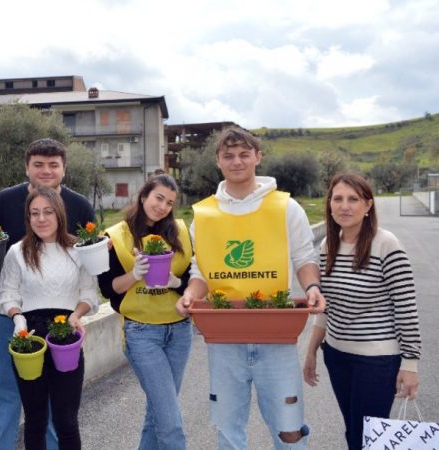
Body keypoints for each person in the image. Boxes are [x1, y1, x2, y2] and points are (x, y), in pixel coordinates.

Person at [175, 126, 325, 450]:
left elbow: (303, 257)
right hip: (224, 337)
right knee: (228, 429)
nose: (237, 161)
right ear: (218, 161)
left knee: (289, 429)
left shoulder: (287, 207)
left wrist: (312, 286)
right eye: (228, 155)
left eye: (244, 154)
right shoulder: (203, 215)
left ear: (258, 156)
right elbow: (200, 271)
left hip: (277, 335)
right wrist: (190, 294)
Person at [0, 138, 95, 450]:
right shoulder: (4, 203)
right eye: (38, 164)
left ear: (64, 168)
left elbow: (91, 274)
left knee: (63, 415)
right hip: (13, 321)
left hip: (65, 327)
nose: (46, 171)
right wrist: (15, 315)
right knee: (7, 396)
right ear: (27, 167)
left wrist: (77, 314)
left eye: (53, 164)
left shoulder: (81, 208)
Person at [303, 173, 421, 450]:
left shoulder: (386, 244)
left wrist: (411, 365)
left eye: (353, 199)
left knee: (370, 439)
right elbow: (325, 306)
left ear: (368, 205)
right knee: (354, 432)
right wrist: (311, 351)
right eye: (338, 199)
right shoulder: (327, 246)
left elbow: (406, 308)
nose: (345, 206)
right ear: (329, 205)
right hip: (337, 356)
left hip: (377, 361)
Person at [97, 174, 193, 449]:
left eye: (169, 203)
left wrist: (177, 283)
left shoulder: (181, 233)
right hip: (141, 333)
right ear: (143, 196)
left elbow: (192, 278)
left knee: (159, 413)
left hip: (180, 331)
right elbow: (109, 288)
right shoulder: (117, 236)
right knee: (170, 420)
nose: (162, 206)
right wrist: (135, 275)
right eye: (158, 198)